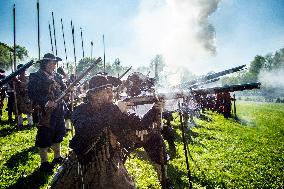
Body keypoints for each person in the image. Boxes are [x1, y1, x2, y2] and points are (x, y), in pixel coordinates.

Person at [50, 75, 164, 189]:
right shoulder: (80, 110)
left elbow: (139, 125)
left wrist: (154, 111)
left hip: (110, 161)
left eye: (112, 91)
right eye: (107, 91)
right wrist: (115, 109)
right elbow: (86, 129)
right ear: (94, 95)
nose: (111, 95)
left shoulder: (113, 109)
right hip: (84, 162)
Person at [28, 53, 66, 172]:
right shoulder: (35, 76)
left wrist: (68, 91)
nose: (53, 65)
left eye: (54, 63)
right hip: (44, 110)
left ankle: (57, 156)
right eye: (50, 63)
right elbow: (32, 93)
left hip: (59, 109)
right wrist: (46, 102)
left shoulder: (58, 76)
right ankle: (44, 162)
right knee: (44, 135)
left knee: (58, 132)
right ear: (44, 64)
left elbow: (64, 88)